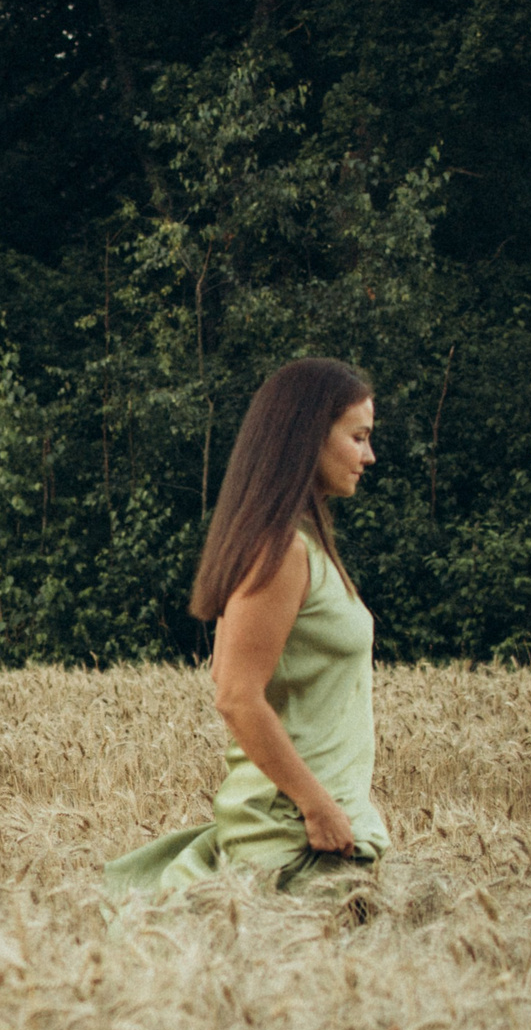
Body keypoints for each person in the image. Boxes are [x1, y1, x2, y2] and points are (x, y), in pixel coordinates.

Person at [107, 357, 390, 899]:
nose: (368, 455)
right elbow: (236, 693)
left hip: (319, 826)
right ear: (310, 436)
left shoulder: (305, 545)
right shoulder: (282, 550)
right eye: (358, 437)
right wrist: (317, 805)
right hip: (295, 835)